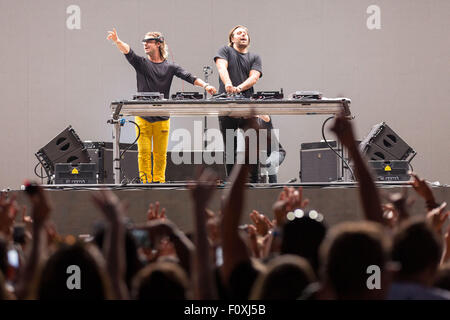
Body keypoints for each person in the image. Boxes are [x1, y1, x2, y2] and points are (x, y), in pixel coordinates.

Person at [107, 28, 217, 183]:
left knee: (160, 154)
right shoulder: (142, 63)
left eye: (149, 42)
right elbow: (128, 52)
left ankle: (159, 182)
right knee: (143, 153)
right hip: (143, 116)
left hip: (163, 117)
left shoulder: (170, 67)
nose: (145, 45)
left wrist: (206, 86)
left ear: (159, 44)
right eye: (143, 42)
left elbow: (188, 76)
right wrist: (117, 41)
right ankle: (145, 183)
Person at [214, 25, 263, 183]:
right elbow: (222, 68)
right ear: (232, 38)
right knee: (230, 147)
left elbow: (254, 77)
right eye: (239, 33)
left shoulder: (255, 57)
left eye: (246, 33)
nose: (243, 35)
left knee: (253, 145)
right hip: (226, 105)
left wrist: (239, 88)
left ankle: (254, 181)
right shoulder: (225, 51)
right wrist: (228, 85)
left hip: (247, 106)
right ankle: (232, 182)